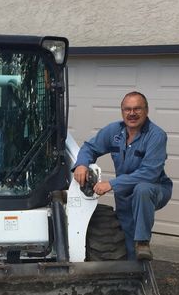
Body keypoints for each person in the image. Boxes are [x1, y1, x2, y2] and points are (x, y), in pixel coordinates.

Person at [73, 91, 172, 260]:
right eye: (127, 109)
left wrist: (111, 184)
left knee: (142, 189)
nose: (132, 113)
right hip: (125, 192)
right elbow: (90, 147)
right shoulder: (115, 131)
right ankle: (133, 272)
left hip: (155, 188)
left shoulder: (156, 136)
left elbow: (149, 173)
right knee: (126, 235)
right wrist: (81, 164)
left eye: (137, 109)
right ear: (122, 111)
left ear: (146, 111)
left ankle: (142, 242)